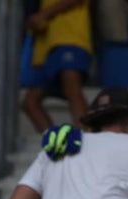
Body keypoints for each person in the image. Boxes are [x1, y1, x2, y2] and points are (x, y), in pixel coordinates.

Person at [20, 0, 92, 133]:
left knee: (73, 91)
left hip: (70, 38)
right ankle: (55, 146)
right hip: (45, 46)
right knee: (30, 102)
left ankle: (86, 143)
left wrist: (43, 15)